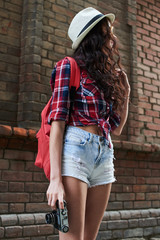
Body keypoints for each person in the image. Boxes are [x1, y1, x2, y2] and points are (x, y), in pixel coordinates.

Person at [46, 7, 130, 240]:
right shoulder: (67, 66)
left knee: (89, 238)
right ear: (94, 36)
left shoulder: (103, 77)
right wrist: (55, 180)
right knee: (73, 238)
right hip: (76, 152)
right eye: (107, 33)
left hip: (104, 155)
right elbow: (58, 122)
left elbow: (117, 128)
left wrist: (127, 93)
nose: (112, 39)